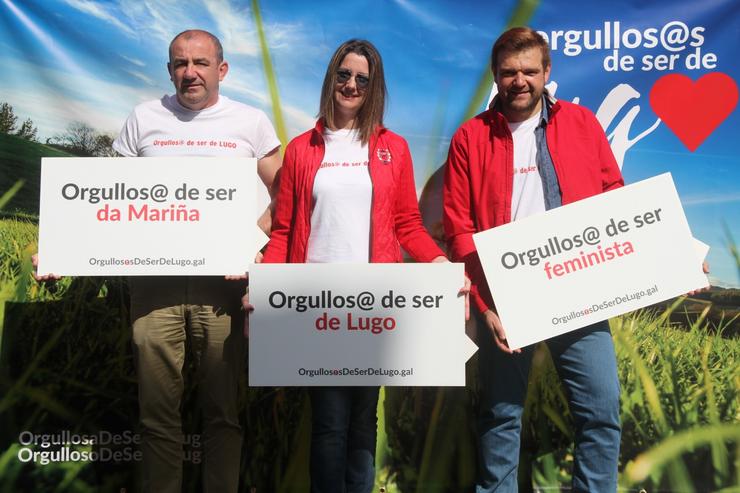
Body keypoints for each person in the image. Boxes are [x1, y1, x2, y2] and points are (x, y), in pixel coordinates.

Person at [261, 39, 465, 493]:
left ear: (373, 88)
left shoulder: (394, 147)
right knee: (331, 420)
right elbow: (283, 229)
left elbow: (408, 222)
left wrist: (437, 261)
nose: (351, 85)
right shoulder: (301, 150)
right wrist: (260, 291)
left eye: (362, 79)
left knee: (363, 421)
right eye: (343, 75)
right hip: (315, 302)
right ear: (331, 78)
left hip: (373, 303)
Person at [443, 27, 623, 492]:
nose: (518, 80)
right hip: (507, 298)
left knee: (601, 416)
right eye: (508, 72)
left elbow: (616, 199)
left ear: (546, 72)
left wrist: (668, 255)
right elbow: (460, 229)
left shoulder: (582, 124)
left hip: (581, 288)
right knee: (502, 418)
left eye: (528, 70)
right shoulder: (470, 137)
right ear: (495, 77)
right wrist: (485, 305)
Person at [111, 29, 281, 493]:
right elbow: (107, 197)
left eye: (201, 63)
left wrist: (257, 237)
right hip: (154, 284)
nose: (191, 73)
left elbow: (284, 191)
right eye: (181, 64)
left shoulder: (250, 123)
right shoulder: (143, 119)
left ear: (221, 70)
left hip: (223, 287)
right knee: (156, 411)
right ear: (169, 70)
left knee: (222, 410)